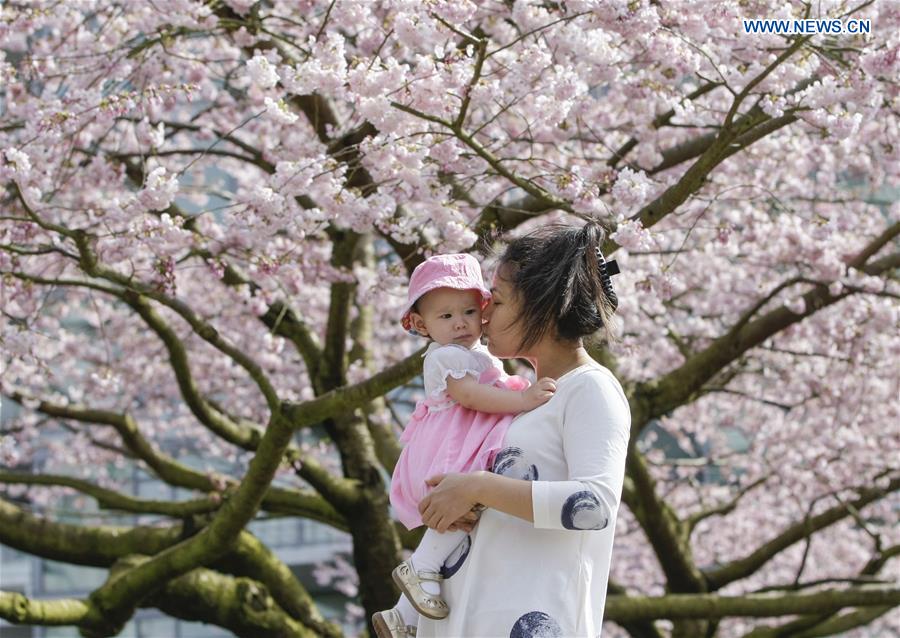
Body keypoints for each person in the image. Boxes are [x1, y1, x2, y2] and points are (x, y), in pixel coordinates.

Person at [413, 221, 631, 638]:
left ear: (543, 309)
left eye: (495, 300)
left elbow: (595, 505)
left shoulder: (591, 388)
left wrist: (477, 487)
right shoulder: (524, 400)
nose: (483, 315)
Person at [373, 253, 558, 638]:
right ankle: (421, 567)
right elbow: (471, 396)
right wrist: (522, 400)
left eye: (469, 312)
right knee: (463, 508)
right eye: (445, 317)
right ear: (422, 325)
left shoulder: (475, 352)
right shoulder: (445, 358)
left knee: (466, 514)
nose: (459, 323)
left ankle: (402, 616)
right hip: (451, 444)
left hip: (468, 438)